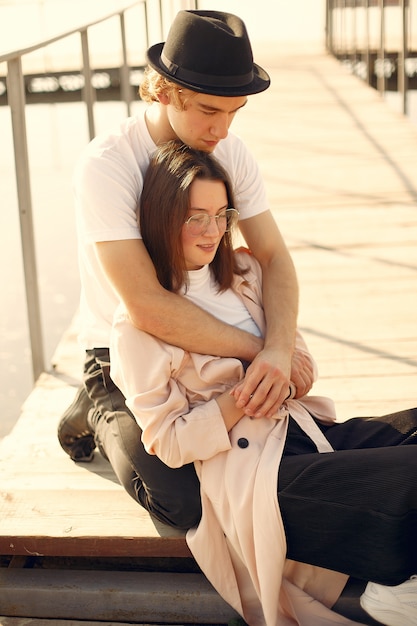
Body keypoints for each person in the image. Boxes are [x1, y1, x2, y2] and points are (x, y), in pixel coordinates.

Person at [110, 140, 417, 626]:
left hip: (305, 432)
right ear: (161, 217)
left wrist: (284, 374)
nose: (212, 232)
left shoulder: (248, 273)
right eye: (195, 217)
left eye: (221, 214)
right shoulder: (137, 327)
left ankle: (399, 580)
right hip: (254, 475)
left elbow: (301, 362)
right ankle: (398, 586)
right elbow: (167, 441)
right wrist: (239, 399)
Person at [58, 9, 312, 530]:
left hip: (208, 344)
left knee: (286, 453)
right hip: (127, 356)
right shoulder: (108, 164)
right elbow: (146, 306)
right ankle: (95, 403)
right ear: (165, 91)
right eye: (207, 110)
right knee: (185, 502)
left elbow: (273, 256)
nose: (221, 129)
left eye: (235, 112)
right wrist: (260, 351)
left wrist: (282, 349)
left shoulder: (230, 152)